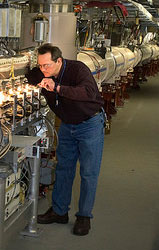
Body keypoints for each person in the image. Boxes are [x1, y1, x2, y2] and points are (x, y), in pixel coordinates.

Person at [26, 43, 105, 236]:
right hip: (68, 125)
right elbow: (24, 77)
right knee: (63, 168)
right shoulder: (42, 72)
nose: (43, 70)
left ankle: (84, 217)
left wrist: (58, 87)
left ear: (59, 61)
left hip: (90, 123)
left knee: (88, 173)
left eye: (47, 66)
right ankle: (59, 212)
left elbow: (88, 92)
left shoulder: (78, 69)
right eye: (40, 66)